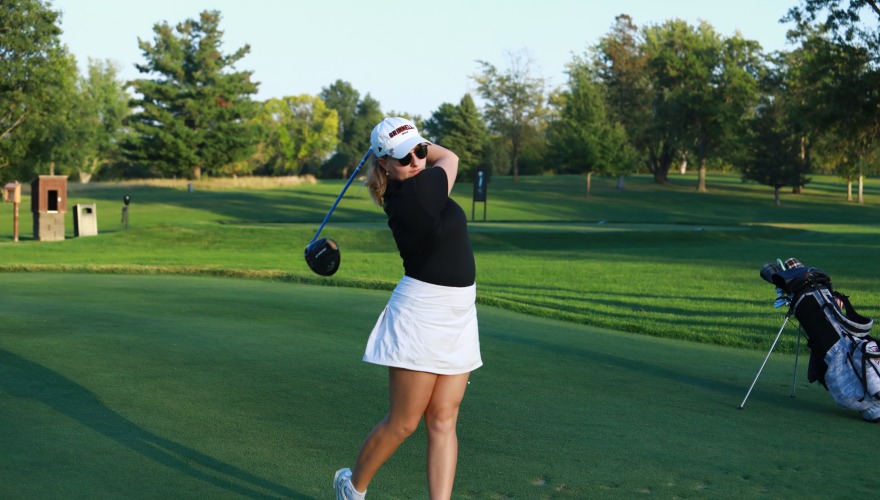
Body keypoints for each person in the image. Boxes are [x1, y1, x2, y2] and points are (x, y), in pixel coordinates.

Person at [333, 117, 482, 500]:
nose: (416, 161)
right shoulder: (418, 192)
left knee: (445, 419)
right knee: (403, 423)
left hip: (460, 311)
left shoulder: (408, 184)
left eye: (418, 151)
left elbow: (437, 157)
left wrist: (405, 140)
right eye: (405, 157)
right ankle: (352, 488)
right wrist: (423, 144)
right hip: (422, 314)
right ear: (382, 162)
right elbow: (449, 155)